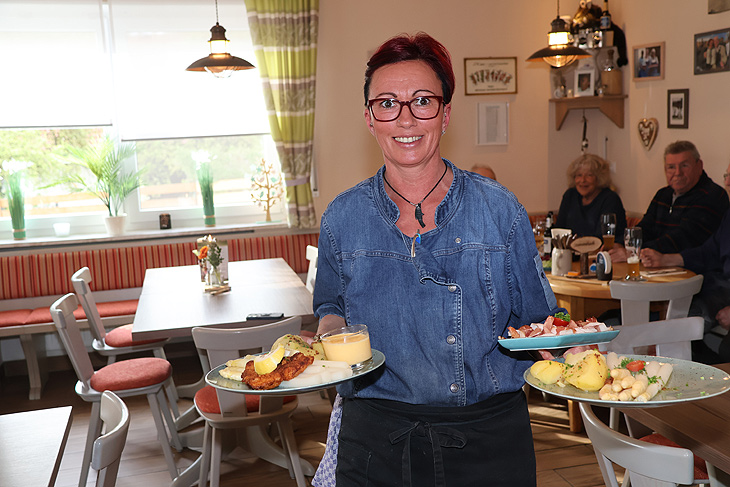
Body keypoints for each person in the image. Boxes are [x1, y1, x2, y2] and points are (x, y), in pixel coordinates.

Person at [311, 32, 559, 487]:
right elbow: (330, 307)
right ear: (369, 118)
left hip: (488, 440)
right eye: (387, 103)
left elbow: (539, 320)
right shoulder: (341, 217)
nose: (405, 118)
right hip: (375, 439)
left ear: (445, 114)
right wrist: (329, 335)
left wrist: (566, 345)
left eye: (422, 100)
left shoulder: (499, 209)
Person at [609, 141, 729, 263]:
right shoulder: (663, 194)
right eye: (671, 167)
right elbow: (645, 227)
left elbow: (683, 239)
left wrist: (633, 252)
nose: (677, 173)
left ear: (699, 166)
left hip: (692, 270)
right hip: (654, 265)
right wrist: (620, 244)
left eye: (684, 166)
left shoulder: (712, 195)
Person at [641, 210, 730, 363]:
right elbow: (709, 252)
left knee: (678, 324)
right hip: (716, 286)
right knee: (670, 315)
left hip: (722, 291)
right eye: (727, 182)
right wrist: (665, 259)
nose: (727, 184)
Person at [555, 153, 627, 239]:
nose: (582, 180)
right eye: (579, 175)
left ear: (599, 178)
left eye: (589, 175)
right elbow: (559, 230)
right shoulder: (570, 195)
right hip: (570, 250)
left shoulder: (610, 199)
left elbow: (601, 237)